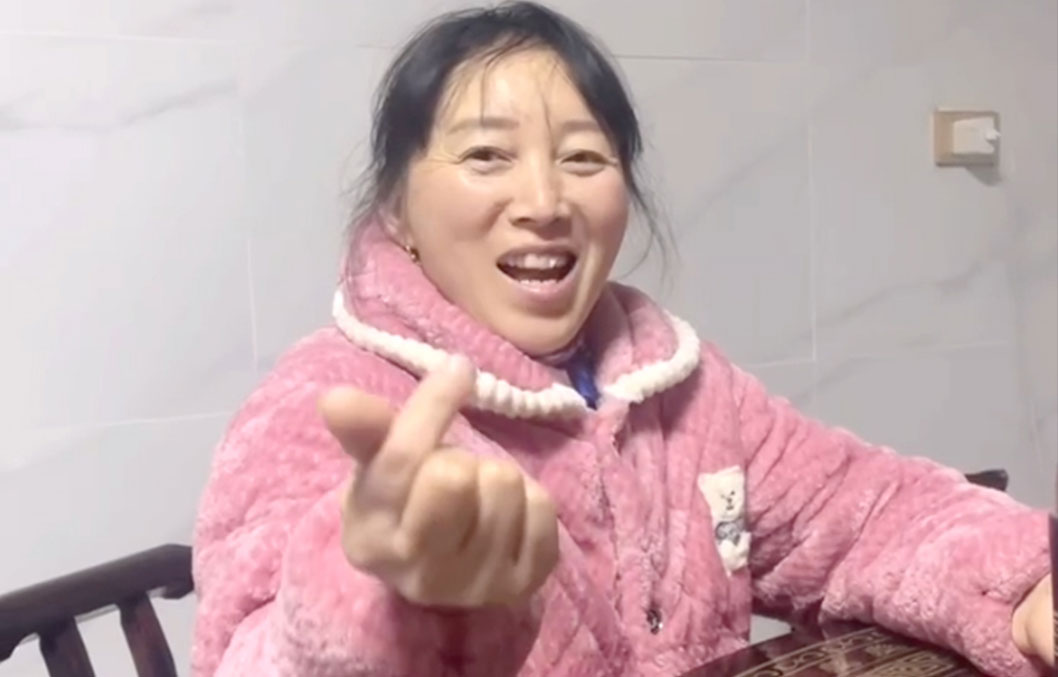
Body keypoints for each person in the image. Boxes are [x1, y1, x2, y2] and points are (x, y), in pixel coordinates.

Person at [190, 3, 1053, 676]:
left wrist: (1025, 582)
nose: (545, 202)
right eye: (486, 156)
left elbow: (863, 511)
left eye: (584, 159)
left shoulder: (678, 385)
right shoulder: (318, 404)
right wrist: (374, 600)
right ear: (397, 211)